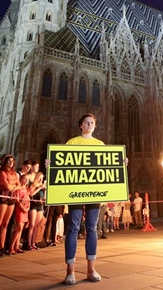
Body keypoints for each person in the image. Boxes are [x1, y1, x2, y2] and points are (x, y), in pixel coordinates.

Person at [63, 114, 103, 285]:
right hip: (76, 191)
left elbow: (106, 165)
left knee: (92, 229)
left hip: (94, 191)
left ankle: (90, 270)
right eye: (86, 122)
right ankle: (70, 272)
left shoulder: (100, 144)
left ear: (95, 126)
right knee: (73, 228)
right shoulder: (72, 143)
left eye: (92, 123)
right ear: (80, 125)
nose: (89, 124)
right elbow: (62, 164)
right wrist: (51, 164)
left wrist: (121, 162)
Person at [0, 154, 18, 256]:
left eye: (12, 161)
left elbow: (18, 185)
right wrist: (13, 186)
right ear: (5, 162)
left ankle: (1, 246)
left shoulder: (14, 173)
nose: (11, 163)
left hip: (12, 198)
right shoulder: (2, 172)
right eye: (9, 161)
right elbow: (7, 187)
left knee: (5, 223)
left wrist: (12, 187)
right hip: (3, 197)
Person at [9, 172, 29, 254]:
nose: (27, 180)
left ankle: (16, 247)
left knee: (20, 230)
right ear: (21, 180)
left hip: (25, 210)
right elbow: (17, 201)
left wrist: (27, 208)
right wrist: (23, 208)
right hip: (20, 209)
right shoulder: (18, 189)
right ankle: (11, 247)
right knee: (18, 228)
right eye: (25, 178)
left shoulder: (26, 189)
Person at [27, 171, 47, 250]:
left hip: (40, 205)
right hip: (33, 205)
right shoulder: (33, 185)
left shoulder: (42, 186)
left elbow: (44, 198)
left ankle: (33, 243)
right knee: (32, 225)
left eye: (42, 178)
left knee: (37, 226)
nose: (41, 180)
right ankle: (29, 243)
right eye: (40, 178)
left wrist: (44, 190)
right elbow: (31, 194)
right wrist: (39, 187)